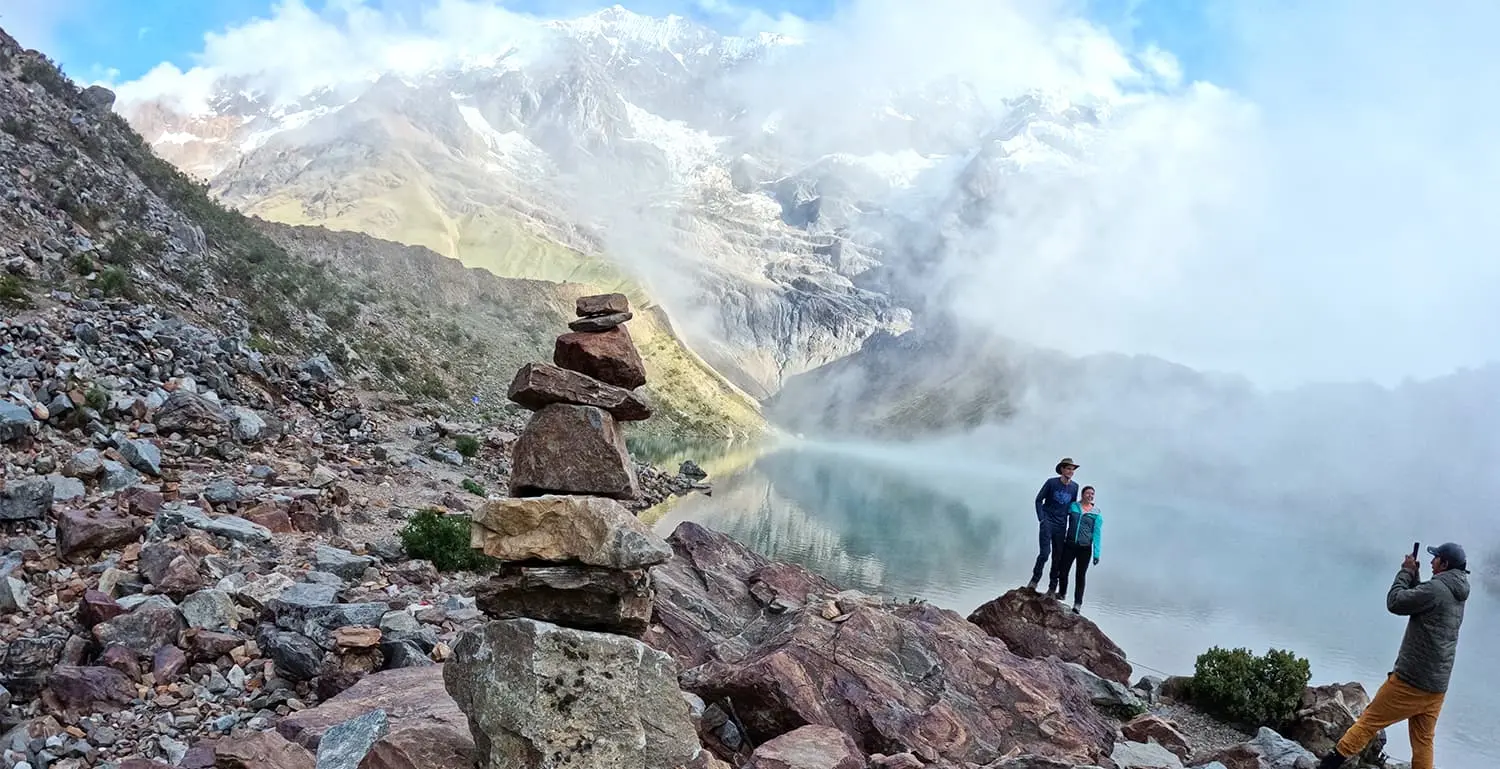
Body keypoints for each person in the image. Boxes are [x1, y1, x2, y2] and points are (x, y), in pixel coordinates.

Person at [1318, 543, 1470, 769]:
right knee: (1423, 741)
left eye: (1435, 558)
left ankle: (1330, 764)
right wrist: (1416, 576)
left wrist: (1406, 572)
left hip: (1411, 680)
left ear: (1445, 564)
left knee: (1369, 721)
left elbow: (1396, 602)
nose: (1431, 562)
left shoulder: (1437, 589)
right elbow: (1423, 601)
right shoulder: (1457, 590)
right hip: (1437, 686)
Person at [1027, 457, 1080, 596]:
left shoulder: (1075, 487)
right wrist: (1041, 519)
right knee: (1045, 553)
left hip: (1062, 525)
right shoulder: (1051, 483)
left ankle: (1052, 588)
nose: (1070, 471)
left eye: (1072, 469)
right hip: (1048, 522)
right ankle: (1034, 581)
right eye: (1068, 468)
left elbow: (1072, 506)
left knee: (1058, 557)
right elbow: (1039, 500)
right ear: (1062, 469)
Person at [1055, 485, 1103, 613]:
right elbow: (1062, 517)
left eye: (1092, 494)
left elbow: (1097, 534)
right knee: (1063, 570)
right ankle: (1062, 593)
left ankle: (1077, 604)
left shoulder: (1096, 513)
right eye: (1088, 493)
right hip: (1070, 544)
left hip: (1085, 548)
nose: (1090, 496)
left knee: (1080, 576)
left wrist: (1096, 554)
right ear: (1082, 494)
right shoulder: (1073, 507)